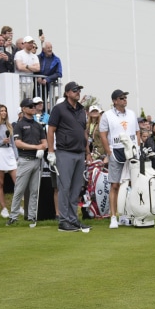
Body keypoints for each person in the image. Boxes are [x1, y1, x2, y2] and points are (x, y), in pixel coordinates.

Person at [47, 81, 89, 232]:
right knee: (64, 187)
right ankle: (63, 221)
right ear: (67, 93)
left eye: (79, 90)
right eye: (75, 90)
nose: (78, 92)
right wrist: (51, 151)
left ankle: (73, 219)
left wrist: (87, 152)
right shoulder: (59, 109)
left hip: (79, 153)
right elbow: (51, 131)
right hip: (64, 152)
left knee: (76, 188)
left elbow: (84, 132)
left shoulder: (82, 110)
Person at [99, 89, 140, 229]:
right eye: (121, 98)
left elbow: (137, 131)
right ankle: (113, 217)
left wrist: (137, 147)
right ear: (115, 101)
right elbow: (103, 134)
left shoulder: (132, 114)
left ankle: (126, 215)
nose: (124, 100)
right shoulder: (107, 115)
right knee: (115, 185)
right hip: (115, 151)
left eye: (125, 98)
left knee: (130, 184)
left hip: (132, 152)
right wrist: (108, 152)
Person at [6, 97, 47, 226]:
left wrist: (42, 147)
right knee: (19, 189)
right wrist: (36, 147)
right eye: (30, 106)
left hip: (37, 160)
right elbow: (18, 143)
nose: (33, 108)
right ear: (23, 109)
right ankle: (13, 216)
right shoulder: (19, 125)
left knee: (35, 190)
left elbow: (44, 142)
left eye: (34, 106)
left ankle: (32, 216)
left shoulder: (38, 126)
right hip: (25, 160)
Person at [14, 35, 40, 100]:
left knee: (29, 101)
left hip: (30, 82)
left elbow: (38, 69)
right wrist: (32, 68)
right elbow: (19, 67)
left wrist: (26, 66)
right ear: (24, 43)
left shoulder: (34, 56)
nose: (31, 44)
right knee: (19, 100)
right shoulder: (19, 54)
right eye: (29, 43)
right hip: (20, 81)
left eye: (32, 42)